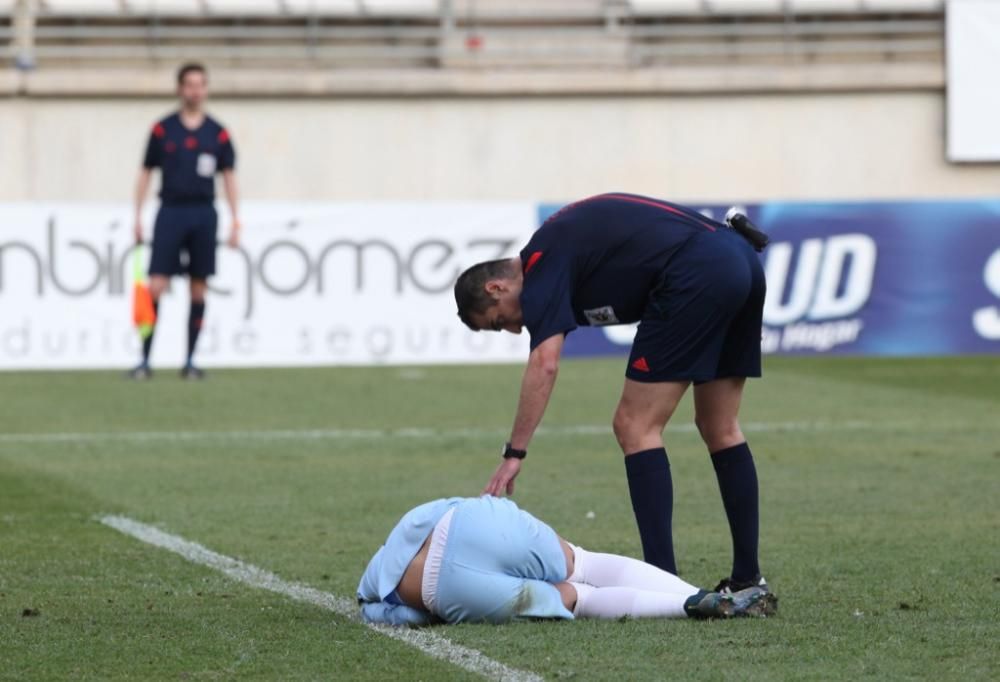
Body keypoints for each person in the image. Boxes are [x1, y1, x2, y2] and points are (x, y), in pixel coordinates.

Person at [453, 193, 772, 597]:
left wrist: (514, 454)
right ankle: (748, 578)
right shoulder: (555, 250)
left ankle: (663, 585)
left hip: (699, 272)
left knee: (634, 426)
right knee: (719, 426)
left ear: (496, 287)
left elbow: (545, 364)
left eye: (500, 321)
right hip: (739, 260)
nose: (514, 330)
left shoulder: (541, 264)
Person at [357, 496, 775, 626]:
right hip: (470, 522)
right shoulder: (403, 527)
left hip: (444, 588)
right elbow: (448, 504)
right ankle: (704, 594)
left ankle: (689, 607)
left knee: (578, 596)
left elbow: (406, 619)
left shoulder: (375, 588)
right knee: (584, 563)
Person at [130, 62, 240, 380]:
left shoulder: (217, 133)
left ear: (206, 89)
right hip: (171, 211)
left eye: (200, 84)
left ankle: (190, 360)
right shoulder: (163, 130)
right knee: (156, 285)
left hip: (204, 213)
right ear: (180, 89)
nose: (195, 90)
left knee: (198, 287)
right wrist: (137, 216)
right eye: (190, 84)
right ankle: (145, 360)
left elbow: (229, 177)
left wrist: (236, 220)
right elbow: (145, 173)